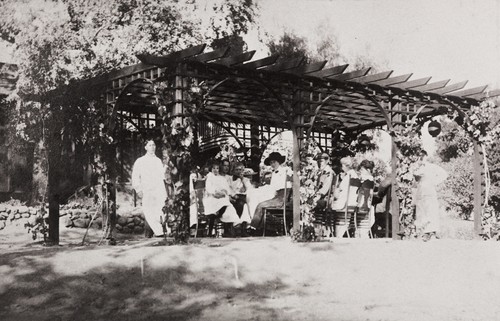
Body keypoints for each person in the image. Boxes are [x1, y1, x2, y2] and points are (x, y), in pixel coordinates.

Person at [132, 140, 167, 237]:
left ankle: (161, 232)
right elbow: (135, 176)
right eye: (150, 145)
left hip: (158, 189)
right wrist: (138, 189)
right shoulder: (140, 161)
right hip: (147, 189)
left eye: (154, 145)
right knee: (149, 210)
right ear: (145, 147)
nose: (152, 147)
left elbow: (162, 176)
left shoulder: (158, 161)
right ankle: (155, 233)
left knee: (160, 209)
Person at [250, 152, 292, 231]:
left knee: (260, 205)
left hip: (282, 197)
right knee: (257, 200)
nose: (272, 164)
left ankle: (254, 228)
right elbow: (273, 187)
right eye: (271, 162)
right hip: (275, 195)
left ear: (279, 162)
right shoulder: (273, 173)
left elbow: (289, 183)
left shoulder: (285, 171)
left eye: (274, 162)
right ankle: (263, 228)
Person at [413, 152, 447, 241]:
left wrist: (435, 182)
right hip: (421, 191)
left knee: (431, 211)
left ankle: (430, 232)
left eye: (422, 157)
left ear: (426, 157)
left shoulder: (432, 167)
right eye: (419, 157)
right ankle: (423, 232)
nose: (421, 159)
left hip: (430, 191)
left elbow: (444, 174)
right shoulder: (417, 167)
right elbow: (416, 178)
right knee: (421, 211)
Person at [203, 160, 241, 237]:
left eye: (217, 168)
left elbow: (227, 188)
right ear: (211, 169)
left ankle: (231, 220)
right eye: (213, 168)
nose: (215, 170)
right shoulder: (209, 177)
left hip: (221, 197)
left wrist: (228, 193)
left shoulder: (221, 178)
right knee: (224, 202)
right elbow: (209, 188)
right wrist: (215, 193)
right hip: (211, 197)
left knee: (227, 203)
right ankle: (217, 215)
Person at [229, 162, 253, 234]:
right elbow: (228, 189)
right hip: (233, 197)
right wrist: (232, 195)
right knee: (241, 204)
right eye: (237, 169)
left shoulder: (245, 180)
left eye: (240, 170)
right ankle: (237, 226)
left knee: (245, 205)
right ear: (233, 170)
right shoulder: (229, 179)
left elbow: (249, 190)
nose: (239, 171)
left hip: (243, 197)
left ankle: (242, 226)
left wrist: (243, 180)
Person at [313, 153, 334, 236]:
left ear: (327, 161)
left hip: (325, 199)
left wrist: (314, 197)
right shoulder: (320, 172)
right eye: (318, 161)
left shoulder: (329, 172)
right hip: (320, 197)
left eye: (321, 161)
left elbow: (324, 190)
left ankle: (316, 229)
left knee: (307, 204)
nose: (319, 163)